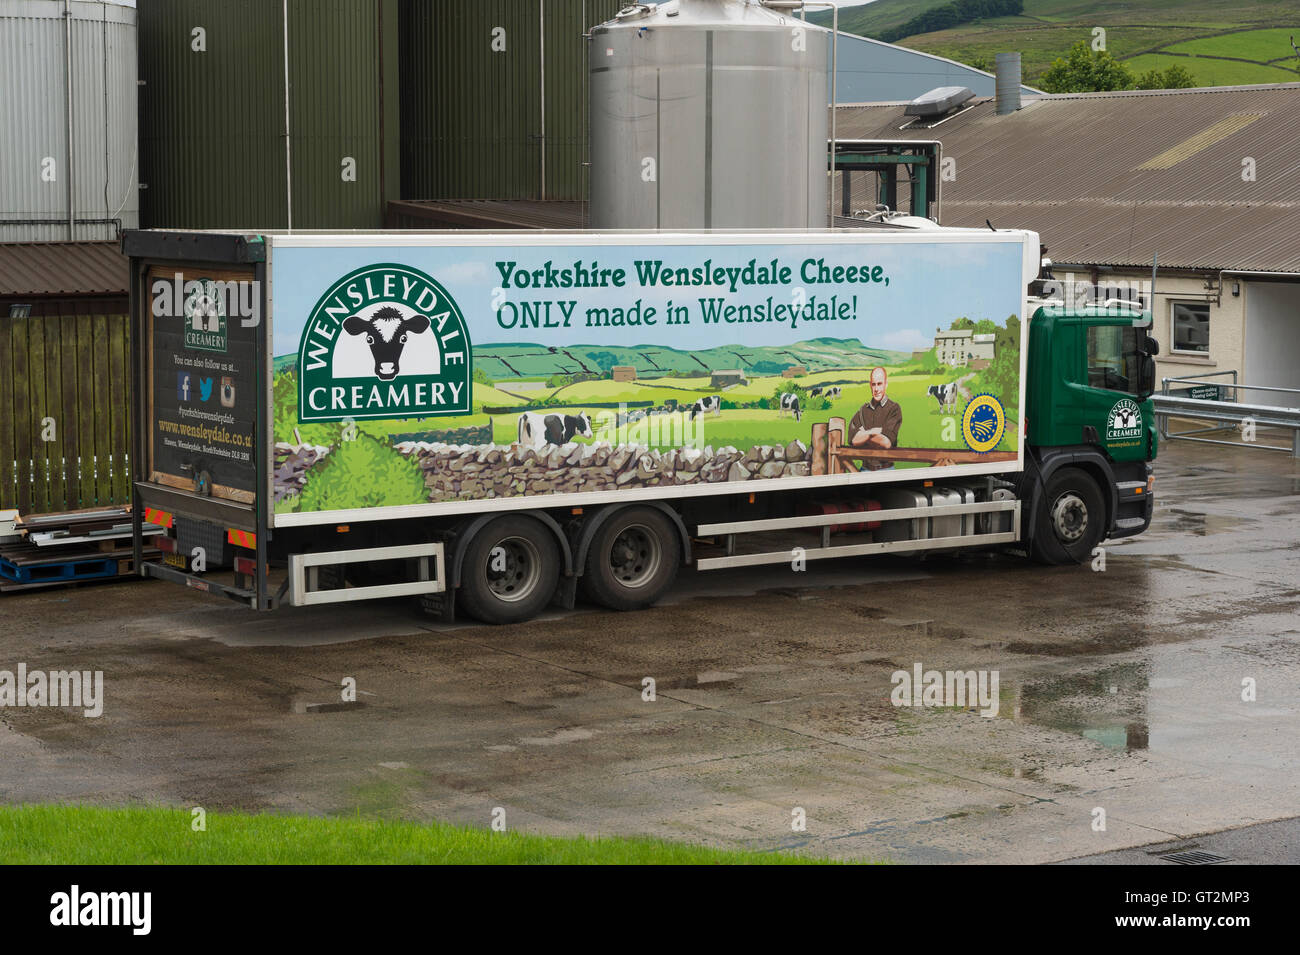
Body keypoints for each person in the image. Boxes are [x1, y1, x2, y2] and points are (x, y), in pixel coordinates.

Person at [848, 366, 902, 471]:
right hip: (865, 469)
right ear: (870, 385)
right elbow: (853, 440)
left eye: (879, 384)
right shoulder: (863, 410)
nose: (876, 389)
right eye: (873, 384)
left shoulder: (894, 408)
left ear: (886, 384)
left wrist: (864, 435)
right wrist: (875, 432)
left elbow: (886, 442)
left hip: (886, 471)